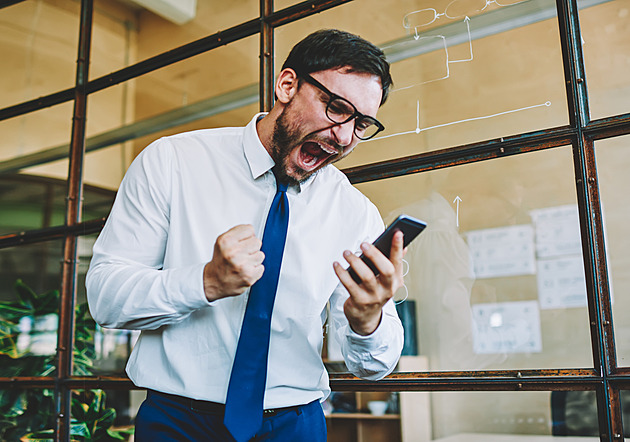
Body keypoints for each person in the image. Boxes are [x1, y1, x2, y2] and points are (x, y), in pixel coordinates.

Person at [86, 29, 405, 441]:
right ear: (287, 85)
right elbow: (107, 298)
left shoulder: (355, 212)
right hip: (177, 422)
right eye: (337, 108)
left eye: (361, 123)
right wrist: (205, 282)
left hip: (295, 425)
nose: (344, 137)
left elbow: (374, 365)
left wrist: (367, 321)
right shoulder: (173, 163)